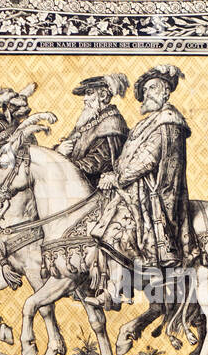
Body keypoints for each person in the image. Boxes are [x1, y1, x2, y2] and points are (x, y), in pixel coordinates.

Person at [95, 64, 198, 269]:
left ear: (165, 92)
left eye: (151, 88)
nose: (146, 94)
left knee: (118, 227)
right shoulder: (146, 122)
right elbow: (128, 156)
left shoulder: (168, 121)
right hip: (132, 183)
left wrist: (117, 179)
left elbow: (148, 159)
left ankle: (142, 269)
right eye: (144, 90)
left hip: (152, 190)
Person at [55, 74, 129, 188]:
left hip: (95, 189)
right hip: (75, 182)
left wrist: (63, 162)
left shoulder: (111, 123)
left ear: (103, 95)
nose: (85, 99)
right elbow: (67, 146)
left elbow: (98, 161)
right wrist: (58, 151)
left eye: (89, 93)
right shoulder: (89, 120)